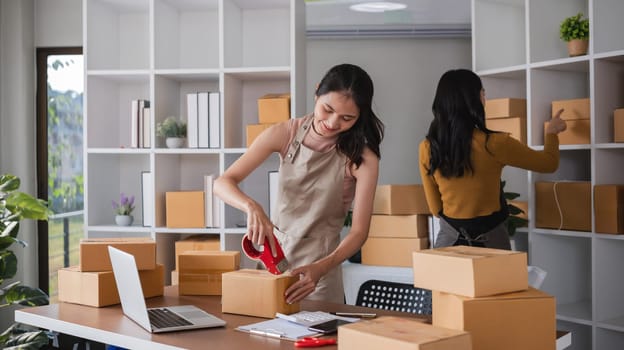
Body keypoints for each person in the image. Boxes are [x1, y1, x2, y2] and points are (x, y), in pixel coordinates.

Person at [214, 63, 384, 304]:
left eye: (347, 118)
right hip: (273, 262)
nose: (333, 123)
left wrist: (321, 268)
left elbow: (359, 233)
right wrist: (251, 206)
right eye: (327, 109)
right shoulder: (285, 133)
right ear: (316, 93)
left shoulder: (363, 158)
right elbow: (222, 183)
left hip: (319, 273)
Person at [418, 69, 567, 249]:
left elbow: (435, 209)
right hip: (492, 243)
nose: (484, 98)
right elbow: (549, 163)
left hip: (448, 245)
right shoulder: (495, 143)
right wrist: (551, 132)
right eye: (483, 93)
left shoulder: (427, 148)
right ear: (474, 100)